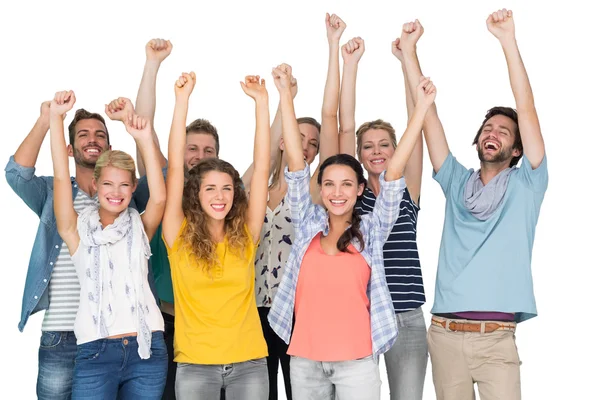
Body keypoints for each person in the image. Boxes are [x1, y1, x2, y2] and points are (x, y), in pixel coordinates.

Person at [401, 10, 548, 400]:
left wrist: (507, 41)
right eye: (488, 128)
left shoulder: (527, 183)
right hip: (445, 336)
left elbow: (526, 106)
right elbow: (428, 117)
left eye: (503, 131)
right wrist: (411, 54)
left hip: (496, 341)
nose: (493, 133)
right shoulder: (457, 180)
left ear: (516, 149)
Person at [268, 62, 437, 400]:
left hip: (357, 361)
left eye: (346, 184)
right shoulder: (307, 225)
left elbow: (394, 177)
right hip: (305, 360)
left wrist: (421, 109)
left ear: (360, 189)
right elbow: (297, 169)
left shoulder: (372, 231)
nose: (337, 192)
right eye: (329, 184)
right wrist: (285, 95)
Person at [4, 93, 150, 398]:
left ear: (110, 147)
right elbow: (16, 174)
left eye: (100, 134)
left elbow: (159, 180)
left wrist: (133, 123)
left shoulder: (123, 199)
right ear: (70, 148)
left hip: (111, 337)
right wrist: (48, 118)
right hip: (61, 332)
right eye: (83, 134)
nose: (92, 139)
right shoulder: (52, 193)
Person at [241, 13, 345, 400]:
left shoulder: (319, 190)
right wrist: (287, 100)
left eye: (312, 142)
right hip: (251, 310)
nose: (306, 144)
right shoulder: (254, 189)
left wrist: (333, 47)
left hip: (299, 312)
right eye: (297, 136)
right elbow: (266, 151)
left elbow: (333, 120)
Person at [49, 89, 168, 399]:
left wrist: (142, 138)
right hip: (95, 352)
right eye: (108, 184)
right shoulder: (75, 230)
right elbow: (61, 179)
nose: (116, 192)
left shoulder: (140, 227)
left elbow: (160, 196)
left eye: (124, 184)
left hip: (147, 349)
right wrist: (55, 119)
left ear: (133, 188)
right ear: (94, 185)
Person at [162, 71, 270, 399]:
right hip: (195, 365)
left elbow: (263, 168)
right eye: (210, 188)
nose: (220, 196)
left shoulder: (245, 235)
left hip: (250, 362)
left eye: (226, 188)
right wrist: (182, 102)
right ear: (196, 193)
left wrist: (262, 104)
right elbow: (176, 170)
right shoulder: (177, 235)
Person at [337, 29, 428, 400]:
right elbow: (344, 126)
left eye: (385, 145)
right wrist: (351, 65)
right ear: (360, 154)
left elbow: (417, 122)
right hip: (362, 314)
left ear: (396, 149)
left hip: (407, 317)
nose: (377, 152)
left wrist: (408, 57)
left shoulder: (407, 189)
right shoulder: (350, 197)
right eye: (368, 147)